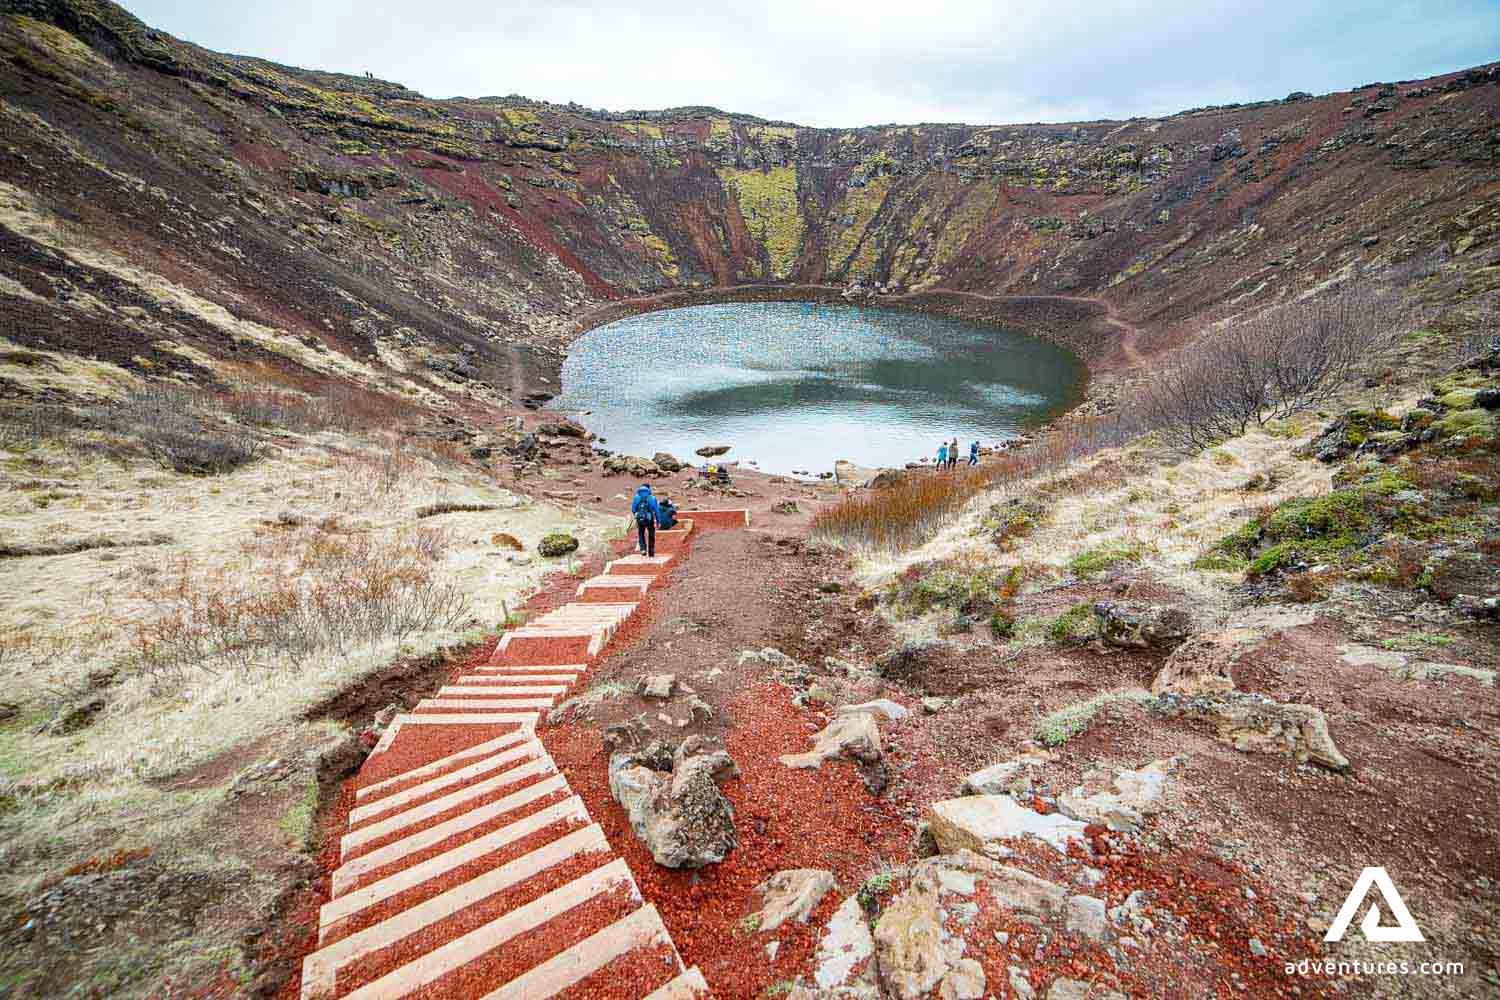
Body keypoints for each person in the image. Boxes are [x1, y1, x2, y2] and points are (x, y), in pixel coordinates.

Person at [631, 484, 660, 556]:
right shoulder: (652, 498)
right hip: (649, 519)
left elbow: (633, 509)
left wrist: (638, 514)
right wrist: (658, 521)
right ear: (649, 489)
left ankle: (643, 549)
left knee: (641, 534)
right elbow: (656, 511)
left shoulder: (636, 497)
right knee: (651, 535)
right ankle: (651, 552)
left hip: (640, 519)